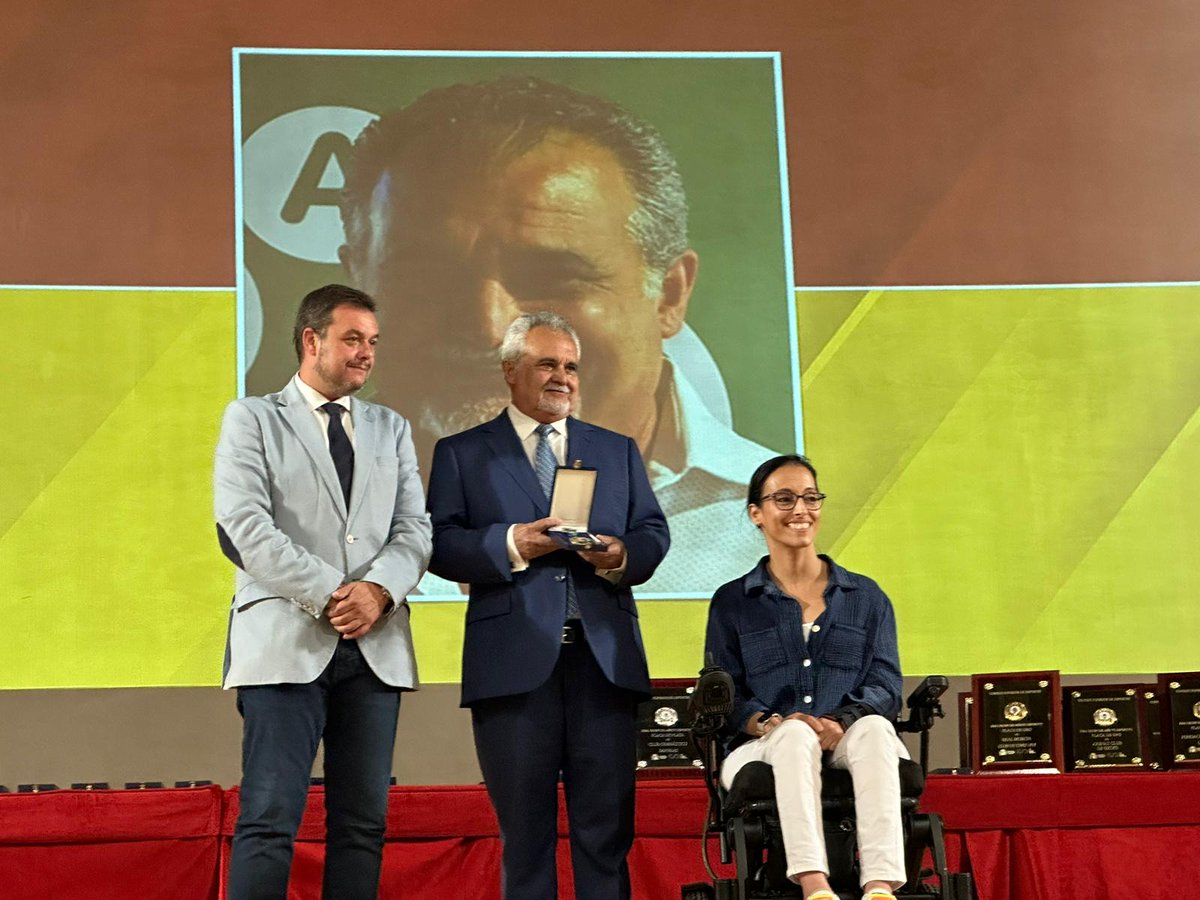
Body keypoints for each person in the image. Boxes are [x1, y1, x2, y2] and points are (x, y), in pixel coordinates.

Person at [338, 75, 773, 595]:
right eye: (430, 277)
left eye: (553, 279)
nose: (491, 327)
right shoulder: (292, 516)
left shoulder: (786, 517)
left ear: (670, 295)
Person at [426, 311, 669, 899]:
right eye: (546, 364)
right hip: (512, 670)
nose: (563, 377)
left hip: (603, 666)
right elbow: (439, 544)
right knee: (526, 839)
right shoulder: (462, 453)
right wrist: (513, 544)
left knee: (605, 835)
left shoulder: (616, 450)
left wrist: (618, 554)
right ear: (510, 370)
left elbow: (652, 533)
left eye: (570, 366)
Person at [213, 284, 431, 900]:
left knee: (363, 825)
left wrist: (378, 593)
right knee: (268, 819)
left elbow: (415, 530)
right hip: (283, 644)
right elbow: (244, 528)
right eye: (352, 338)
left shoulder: (391, 428)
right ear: (311, 340)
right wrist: (338, 594)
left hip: (375, 649)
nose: (366, 353)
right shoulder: (253, 418)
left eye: (373, 341)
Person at [705, 454, 907, 900]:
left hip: (848, 736)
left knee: (875, 728)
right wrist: (768, 722)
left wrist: (842, 721)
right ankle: (814, 884)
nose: (801, 509)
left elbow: (886, 686)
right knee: (795, 735)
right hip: (763, 745)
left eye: (811, 498)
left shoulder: (865, 596)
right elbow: (724, 692)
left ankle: (880, 885)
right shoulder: (733, 602)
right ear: (756, 513)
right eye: (784, 499)